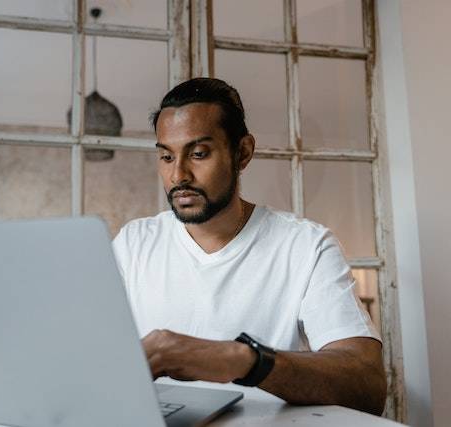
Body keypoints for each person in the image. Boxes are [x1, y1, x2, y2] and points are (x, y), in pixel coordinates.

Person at [112, 78, 387, 415]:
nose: (178, 174)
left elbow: (367, 386)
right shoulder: (132, 243)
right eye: (167, 157)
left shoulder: (305, 246)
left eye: (198, 154)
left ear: (242, 153)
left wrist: (243, 360)